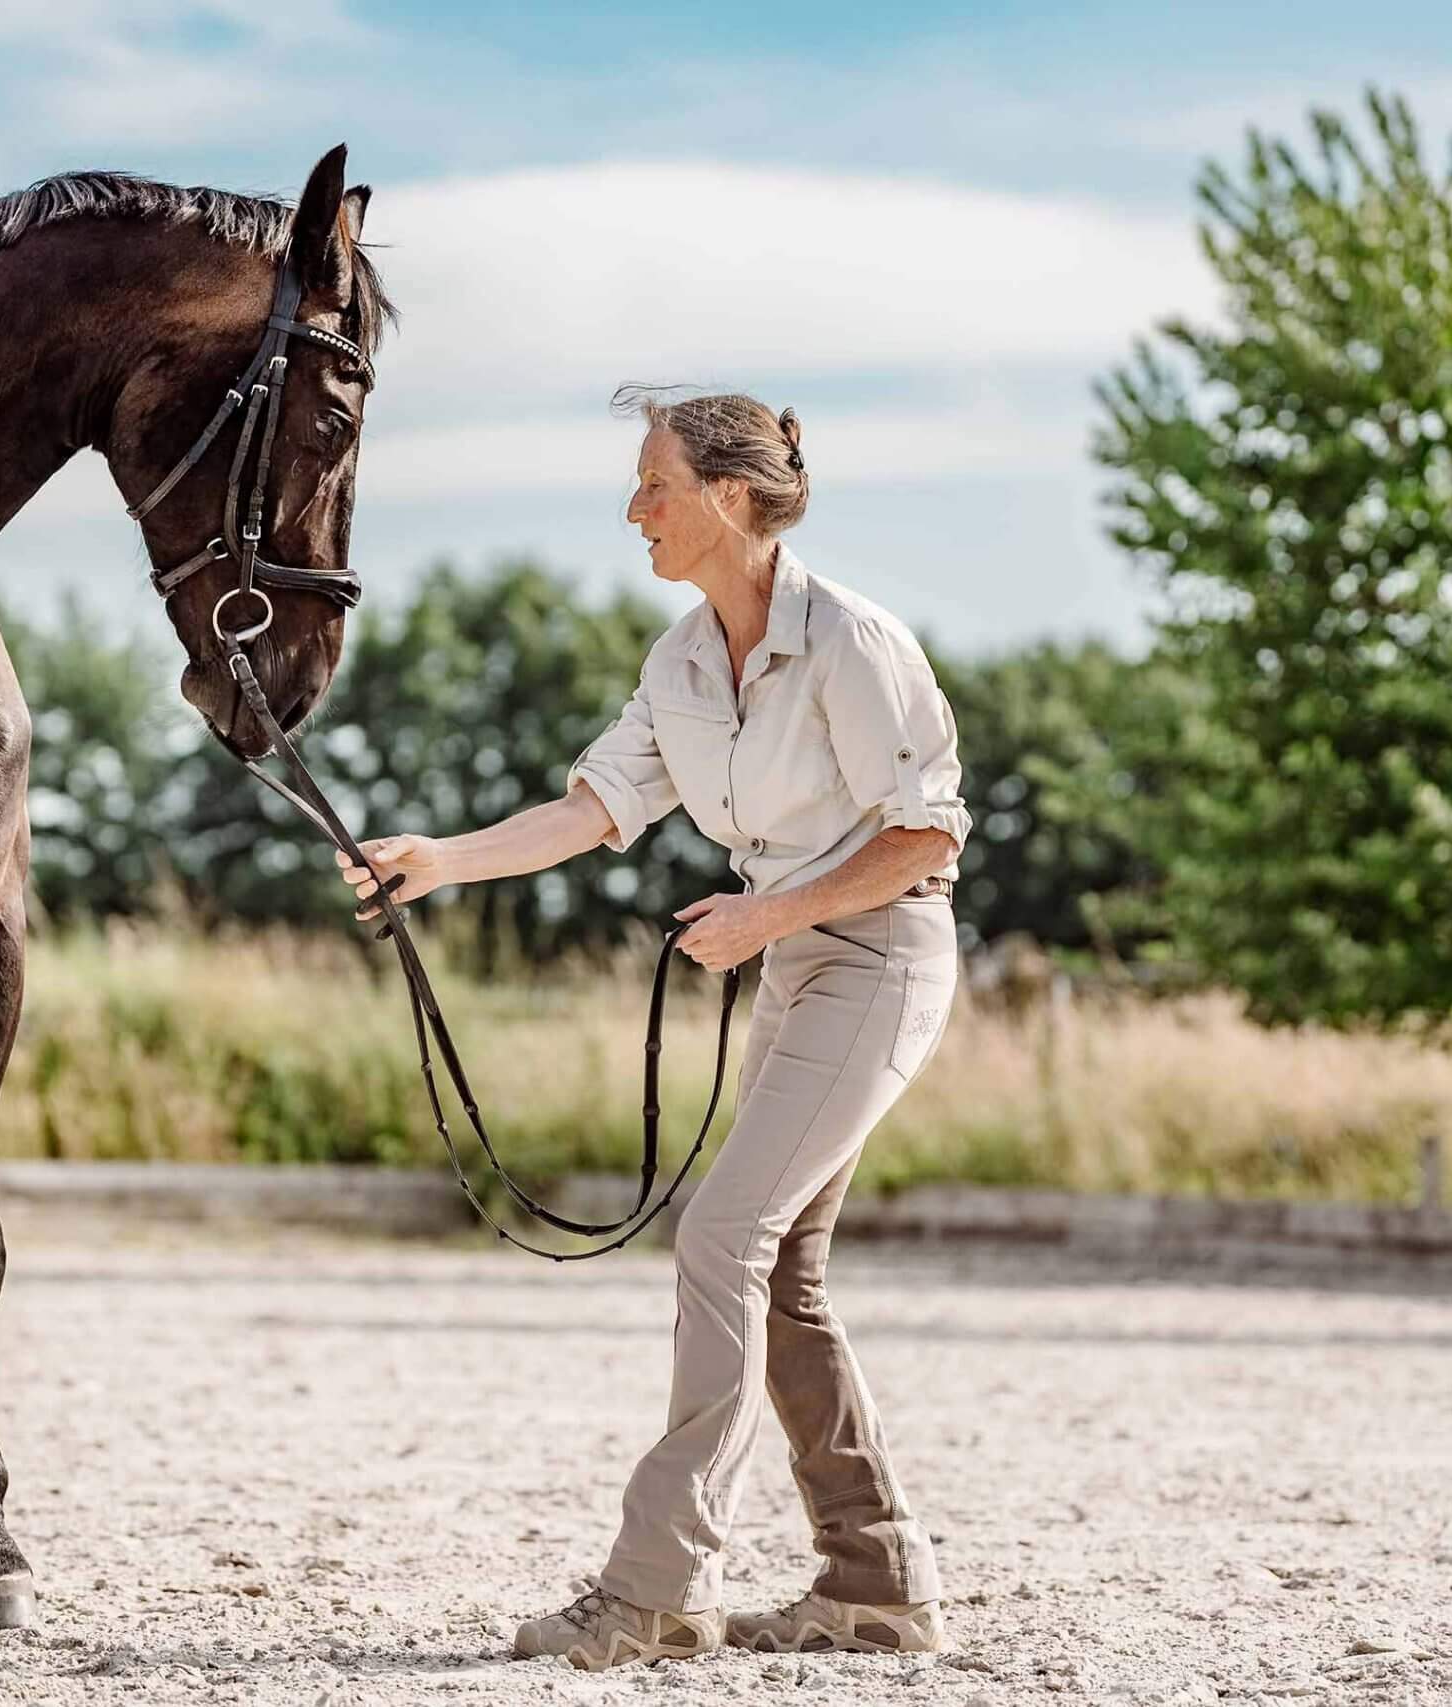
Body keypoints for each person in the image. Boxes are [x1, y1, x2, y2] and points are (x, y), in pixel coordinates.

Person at [336, 388, 972, 1671]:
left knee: (724, 1238)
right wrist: (441, 859)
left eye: (655, 485)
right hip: (789, 956)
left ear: (729, 497)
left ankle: (657, 1588)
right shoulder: (682, 659)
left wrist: (768, 912)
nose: (634, 510)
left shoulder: (852, 641)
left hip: (882, 953)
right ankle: (875, 1583)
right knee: (778, 1272)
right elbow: (593, 806)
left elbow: (926, 835)